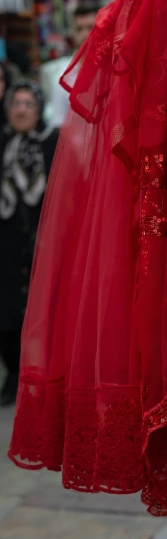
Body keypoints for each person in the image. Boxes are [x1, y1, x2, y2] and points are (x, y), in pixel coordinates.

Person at [0, 79, 58, 406]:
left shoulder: (53, 142)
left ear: (38, 109)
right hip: (6, 238)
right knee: (7, 313)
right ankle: (13, 374)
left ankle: (41, 376)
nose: (21, 110)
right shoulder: (1, 142)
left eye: (28, 104)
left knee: (43, 309)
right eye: (16, 104)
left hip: (42, 237)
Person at [40, 4, 99, 128]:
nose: (85, 34)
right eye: (79, 29)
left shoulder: (116, 70)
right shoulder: (62, 76)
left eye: (91, 28)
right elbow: (58, 124)